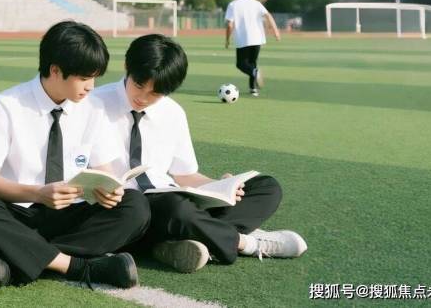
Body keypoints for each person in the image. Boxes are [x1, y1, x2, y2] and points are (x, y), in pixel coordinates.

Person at [0, 21, 150, 290]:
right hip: (18, 211)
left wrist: (109, 190)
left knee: (135, 205)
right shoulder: (6, 105)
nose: (91, 86)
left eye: (94, 78)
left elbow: (105, 171)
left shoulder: (94, 108)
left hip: (71, 213)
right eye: (84, 78)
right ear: (55, 70)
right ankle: (78, 266)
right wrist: (38, 194)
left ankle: (17, 259)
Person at [93, 34, 306, 273]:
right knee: (175, 209)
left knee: (266, 188)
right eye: (139, 86)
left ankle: (176, 242)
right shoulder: (94, 104)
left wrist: (221, 187)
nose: (142, 98)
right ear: (127, 67)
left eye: (156, 93)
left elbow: (185, 176)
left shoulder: (173, 113)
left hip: (172, 200)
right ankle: (246, 242)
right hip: (127, 209)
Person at [225, 0, 281, 97]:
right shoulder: (256, 3)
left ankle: (254, 74)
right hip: (257, 38)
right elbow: (268, 15)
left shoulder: (233, 5)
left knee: (241, 64)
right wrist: (276, 31)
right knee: (252, 63)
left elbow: (230, 25)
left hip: (243, 39)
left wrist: (227, 40)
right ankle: (253, 89)